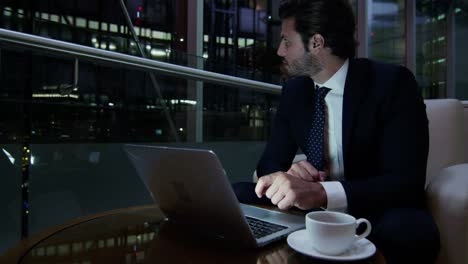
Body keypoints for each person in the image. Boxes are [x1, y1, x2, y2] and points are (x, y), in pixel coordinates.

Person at [253, 0, 440, 263]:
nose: (280, 51)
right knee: (240, 193)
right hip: (311, 208)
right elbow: (268, 163)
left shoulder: (392, 84)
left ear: (316, 43)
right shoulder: (295, 93)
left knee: (410, 231)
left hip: (376, 206)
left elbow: (405, 182)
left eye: (287, 41)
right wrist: (285, 175)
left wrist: (322, 192)